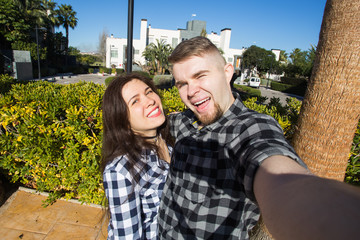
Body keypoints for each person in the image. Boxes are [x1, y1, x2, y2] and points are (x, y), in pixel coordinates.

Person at [158, 36, 360, 240]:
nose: (191, 92)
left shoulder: (250, 128)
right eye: (182, 84)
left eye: (200, 76)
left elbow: (282, 179)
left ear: (227, 72)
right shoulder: (183, 122)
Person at [101, 73, 174, 239]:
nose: (150, 101)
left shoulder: (170, 143)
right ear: (122, 119)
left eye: (149, 92)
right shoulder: (121, 170)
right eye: (135, 101)